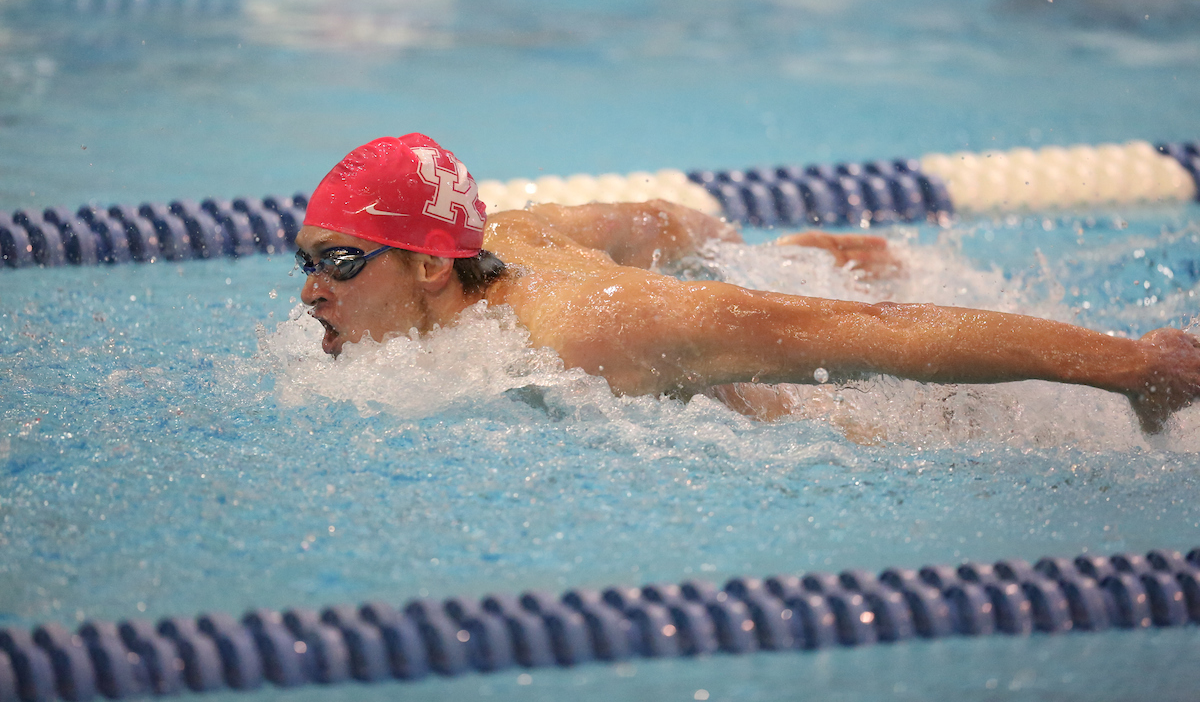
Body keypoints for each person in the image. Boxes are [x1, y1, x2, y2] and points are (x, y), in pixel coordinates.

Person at [295, 133, 1200, 435]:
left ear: (426, 266)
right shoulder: (505, 237)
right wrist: (752, 251)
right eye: (305, 260)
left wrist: (1133, 366)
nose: (311, 293)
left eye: (339, 262)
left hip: (845, 429)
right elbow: (654, 218)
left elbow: (880, 333)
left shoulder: (595, 329)